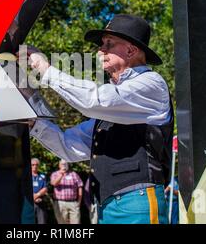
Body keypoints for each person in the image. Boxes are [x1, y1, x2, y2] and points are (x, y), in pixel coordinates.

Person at [28, 14, 174, 224]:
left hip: (137, 202)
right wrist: (33, 122)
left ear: (131, 50)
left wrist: (46, 70)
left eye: (108, 44)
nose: (100, 51)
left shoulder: (151, 83)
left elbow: (94, 100)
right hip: (106, 206)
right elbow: (69, 147)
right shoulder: (113, 103)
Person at [50, 159, 83, 224]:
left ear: (68, 165)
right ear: (59, 165)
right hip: (60, 203)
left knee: (76, 222)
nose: (64, 165)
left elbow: (80, 186)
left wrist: (79, 201)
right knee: (61, 222)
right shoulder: (55, 174)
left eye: (65, 164)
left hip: (73, 203)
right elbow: (54, 183)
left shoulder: (74, 174)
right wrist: (61, 175)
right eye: (62, 164)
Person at [31, 158, 48, 224]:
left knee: (42, 221)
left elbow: (45, 188)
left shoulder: (42, 175)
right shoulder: (26, 176)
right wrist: (33, 197)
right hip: (30, 202)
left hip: (40, 201)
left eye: (36, 165)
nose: (35, 166)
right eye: (33, 165)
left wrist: (37, 195)